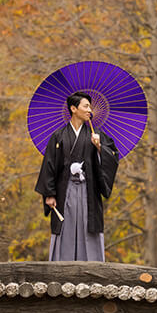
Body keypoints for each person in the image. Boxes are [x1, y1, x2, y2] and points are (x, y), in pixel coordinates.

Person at [35, 91, 120, 261]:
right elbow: (49, 164)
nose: (90, 110)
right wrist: (49, 194)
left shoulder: (96, 135)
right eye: (86, 106)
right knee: (65, 225)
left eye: (90, 107)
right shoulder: (58, 136)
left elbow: (112, 155)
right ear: (73, 109)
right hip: (64, 190)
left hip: (88, 191)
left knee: (88, 225)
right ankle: (62, 267)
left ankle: (92, 268)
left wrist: (99, 147)